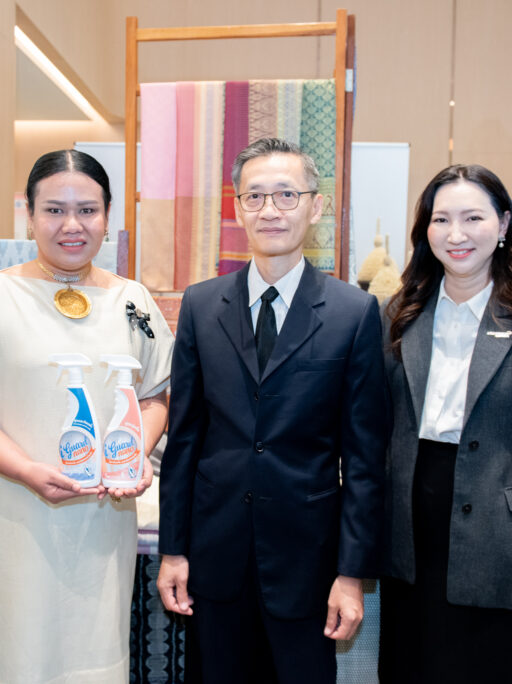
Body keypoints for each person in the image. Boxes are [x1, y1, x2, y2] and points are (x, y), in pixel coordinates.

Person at [0, 149, 174, 684]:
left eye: (87, 210)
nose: (71, 225)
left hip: (105, 520)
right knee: (22, 657)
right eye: (55, 210)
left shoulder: (132, 301)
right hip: (21, 518)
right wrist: (24, 470)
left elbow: (156, 396)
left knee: (99, 658)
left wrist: (135, 456)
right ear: (30, 216)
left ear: (107, 216)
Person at [157, 137, 390, 684]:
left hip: (308, 563)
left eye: (287, 195)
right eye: (255, 196)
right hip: (215, 557)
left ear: (316, 206)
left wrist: (351, 575)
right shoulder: (200, 305)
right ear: (238, 209)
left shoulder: (353, 313)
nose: (270, 210)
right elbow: (184, 438)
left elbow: (364, 459)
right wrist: (173, 551)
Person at [378, 164, 512, 683]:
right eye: (441, 219)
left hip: (498, 542)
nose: (456, 234)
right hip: (408, 537)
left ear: (503, 224)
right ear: (425, 230)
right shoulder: (398, 315)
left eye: (473, 217)